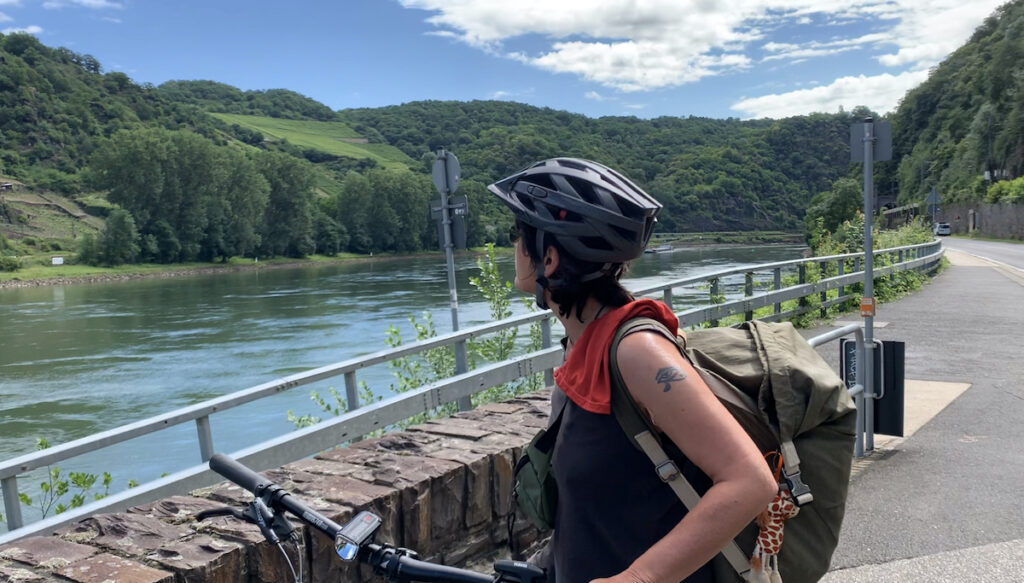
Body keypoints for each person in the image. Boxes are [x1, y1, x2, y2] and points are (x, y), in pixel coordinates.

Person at [488, 158, 777, 583]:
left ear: (548, 259)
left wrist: (639, 578)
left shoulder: (636, 351)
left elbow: (750, 481)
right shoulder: (585, 346)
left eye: (518, 233)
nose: (513, 244)